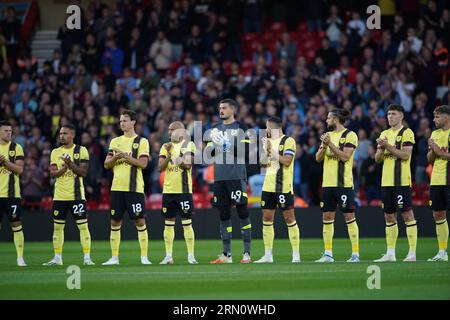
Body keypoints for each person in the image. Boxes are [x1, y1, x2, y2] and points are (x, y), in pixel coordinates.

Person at [206, 99, 253, 264]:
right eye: (219, 108)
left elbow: (247, 151)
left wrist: (226, 144)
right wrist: (210, 147)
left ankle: (247, 253)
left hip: (235, 176)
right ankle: (226, 254)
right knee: (224, 214)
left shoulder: (242, 128)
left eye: (224, 108)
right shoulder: (215, 129)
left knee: (242, 212)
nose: (221, 110)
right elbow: (208, 155)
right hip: (219, 177)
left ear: (233, 110)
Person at [102, 110, 151, 265]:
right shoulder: (115, 141)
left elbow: (143, 164)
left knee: (140, 221)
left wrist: (125, 156)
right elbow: (106, 164)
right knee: (115, 222)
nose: (122, 123)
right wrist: (115, 157)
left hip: (134, 189)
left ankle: (144, 257)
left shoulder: (142, 141)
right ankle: (114, 258)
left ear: (133, 122)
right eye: (121, 121)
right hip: (117, 188)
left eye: (125, 120)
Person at [43, 124, 94, 266]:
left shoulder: (81, 150)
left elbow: (83, 173)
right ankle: (57, 258)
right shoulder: (55, 152)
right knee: (57, 228)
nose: (61, 136)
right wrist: (65, 167)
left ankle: (87, 258)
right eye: (60, 133)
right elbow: (53, 174)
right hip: (59, 196)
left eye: (65, 133)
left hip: (77, 196)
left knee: (83, 227)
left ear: (72, 135)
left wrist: (70, 163)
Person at [314, 109, 360, 263]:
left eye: (328, 118)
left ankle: (355, 254)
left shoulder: (350, 135)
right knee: (327, 217)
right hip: (327, 184)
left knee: (349, 217)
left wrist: (330, 144)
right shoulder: (328, 136)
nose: (326, 120)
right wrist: (325, 145)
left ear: (336, 119)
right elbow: (318, 158)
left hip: (343, 184)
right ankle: (328, 254)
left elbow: (345, 157)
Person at [254, 116, 300, 263]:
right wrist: (264, 150)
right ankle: (268, 255)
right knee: (267, 219)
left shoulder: (289, 141)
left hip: (283, 187)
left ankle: (296, 255)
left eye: (267, 127)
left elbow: (287, 161)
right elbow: (262, 164)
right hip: (268, 186)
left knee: (289, 219)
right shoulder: (268, 142)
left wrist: (270, 150)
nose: (266, 130)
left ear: (274, 127)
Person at [374, 104, 418, 262]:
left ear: (401, 116)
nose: (390, 117)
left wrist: (388, 146)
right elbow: (377, 159)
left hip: (401, 182)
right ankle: (390, 253)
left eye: (393, 114)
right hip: (386, 182)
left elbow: (405, 156)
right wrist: (380, 148)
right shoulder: (384, 133)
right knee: (389, 216)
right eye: (388, 114)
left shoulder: (407, 133)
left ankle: (412, 253)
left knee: (407, 214)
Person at [158, 121, 198, 264]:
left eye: (172, 130)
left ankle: (191, 256)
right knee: (168, 223)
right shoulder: (165, 147)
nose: (169, 132)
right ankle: (168, 256)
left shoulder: (189, 145)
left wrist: (172, 153)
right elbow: (160, 168)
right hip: (168, 191)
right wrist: (168, 155)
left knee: (187, 223)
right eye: (169, 130)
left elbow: (187, 164)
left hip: (184, 191)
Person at [0, 120, 26, 266]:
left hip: (12, 195)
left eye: (10, 131)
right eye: (5, 131)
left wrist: (5, 162)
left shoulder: (17, 148)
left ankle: (20, 258)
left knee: (16, 225)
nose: (9, 133)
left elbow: (20, 170)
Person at [426, 105, 450, 261]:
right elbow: (430, 160)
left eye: (437, 117)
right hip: (436, 179)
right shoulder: (434, 134)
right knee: (438, 214)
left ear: (446, 117)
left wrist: (439, 151)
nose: (434, 120)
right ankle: (442, 252)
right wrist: (432, 151)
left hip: (449, 179)